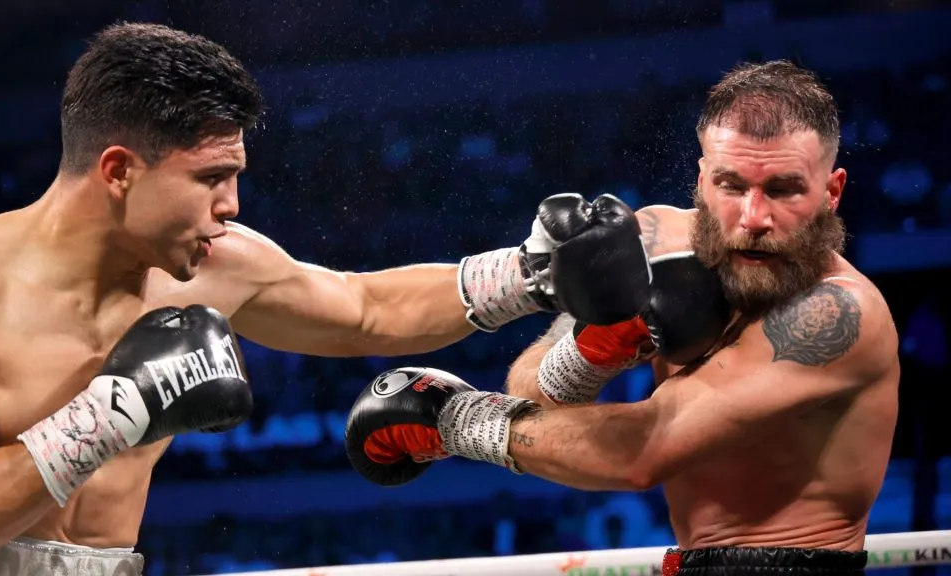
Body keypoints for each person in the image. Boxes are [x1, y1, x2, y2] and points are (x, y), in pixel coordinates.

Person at [0, 22, 622, 576]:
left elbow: (366, 310)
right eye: (210, 178)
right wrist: (111, 415)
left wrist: (530, 275)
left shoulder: (211, 264)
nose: (230, 205)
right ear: (118, 171)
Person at [346, 60, 901, 576]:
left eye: (783, 189)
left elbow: (643, 454)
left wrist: (456, 420)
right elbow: (536, 397)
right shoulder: (657, 238)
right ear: (703, 180)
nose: (753, 217)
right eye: (732, 186)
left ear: (832, 192)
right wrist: (591, 349)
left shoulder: (840, 313)